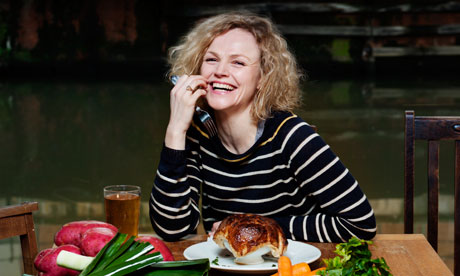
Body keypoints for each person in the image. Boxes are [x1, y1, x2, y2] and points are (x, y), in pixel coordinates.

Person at [149, 11, 377, 242]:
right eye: (211, 59)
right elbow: (172, 230)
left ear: (262, 79)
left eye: (238, 62)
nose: (220, 71)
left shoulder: (292, 137)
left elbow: (361, 225)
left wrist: (259, 228)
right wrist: (175, 130)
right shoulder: (197, 135)